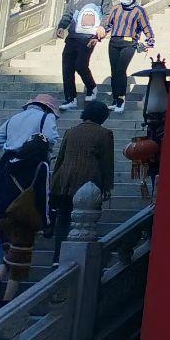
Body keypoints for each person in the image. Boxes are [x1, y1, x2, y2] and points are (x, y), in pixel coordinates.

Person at [0, 138, 51, 300]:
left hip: (1, 216)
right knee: (20, 263)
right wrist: (46, 221)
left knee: (9, 252)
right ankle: (7, 301)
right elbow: (43, 196)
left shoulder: (9, 162)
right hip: (22, 219)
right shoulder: (41, 166)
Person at [51, 99, 115, 253]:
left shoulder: (70, 131)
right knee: (87, 218)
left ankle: (57, 256)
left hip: (65, 180)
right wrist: (107, 186)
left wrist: (54, 181)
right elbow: (106, 162)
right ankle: (79, 253)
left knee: (63, 217)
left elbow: (60, 158)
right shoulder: (105, 134)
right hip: (89, 181)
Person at [56, 0, 111, 105]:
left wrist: (102, 27)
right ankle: (70, 98)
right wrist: (62, 26)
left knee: (80, 64)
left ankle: (91, 87)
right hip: (73, 36)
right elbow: (68, 13)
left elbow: (108, 13)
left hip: (89, 37)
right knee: (67, 66)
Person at [104, 0, 155, 107]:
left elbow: (146, 26)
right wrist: (98, 35)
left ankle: (121, 99)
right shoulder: (116, 8)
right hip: (114, 41)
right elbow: (108, 24)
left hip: (129, 42)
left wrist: (150, 42)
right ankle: (115, 99)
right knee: (114, 71)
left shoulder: (139, 10)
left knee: (121, 70)